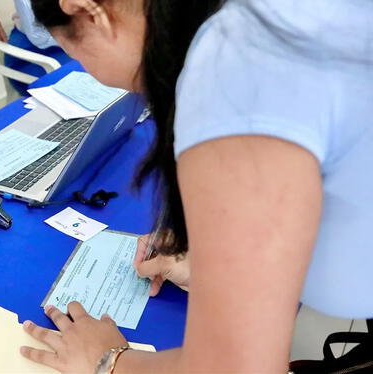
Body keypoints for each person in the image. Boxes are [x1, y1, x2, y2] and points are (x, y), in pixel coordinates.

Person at [19, 0, 373, 372]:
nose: (89, 73)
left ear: (86, 9)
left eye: (70, 51)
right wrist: (225, 262)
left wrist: (109, 362)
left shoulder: (234, 70)